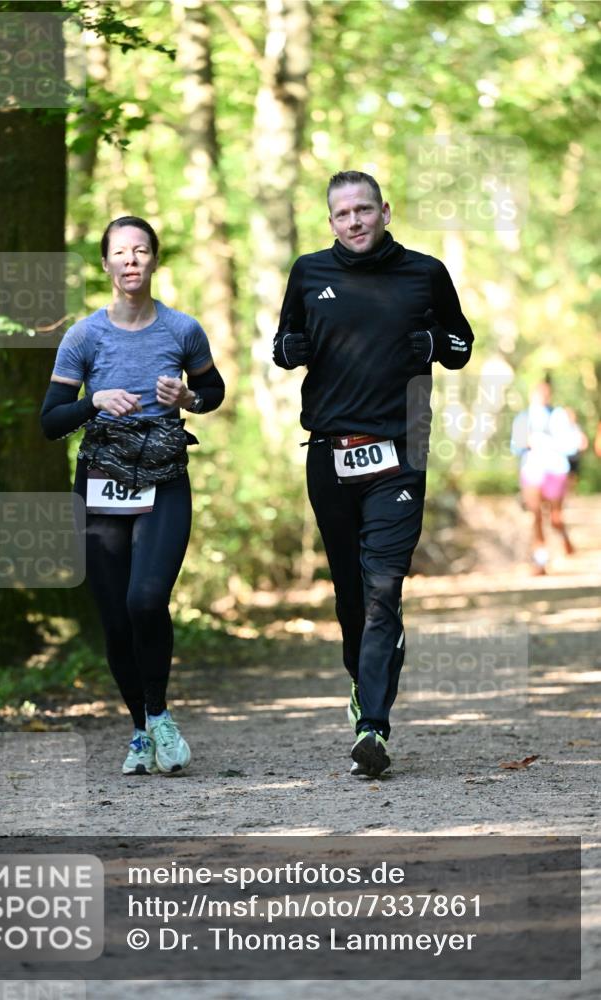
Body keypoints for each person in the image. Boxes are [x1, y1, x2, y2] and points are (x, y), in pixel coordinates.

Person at [273, 170, 473, 778]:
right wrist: (291, 350)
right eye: (342, 214)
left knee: (384, 588)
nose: (354, 221)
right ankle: (366, 680)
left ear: (386, 210)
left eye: (364, 210)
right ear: (330, 221)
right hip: (330, 453)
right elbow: (283, 344)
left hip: (400, 452)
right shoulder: (310, 273)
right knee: (352, 596)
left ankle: (373, 727)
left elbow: (462, 345)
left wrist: (434, 340)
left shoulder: (425, 272)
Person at [40, 216, 224, 776]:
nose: (131, 261)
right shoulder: (84, 337)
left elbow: (213, 391)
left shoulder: (182, 329)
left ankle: (160, 714)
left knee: (146, 599)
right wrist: (94, 403)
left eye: (141, 251)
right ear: (105, 263)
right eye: (120, 252)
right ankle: (140, 729)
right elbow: (50, 421)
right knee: (116, 616)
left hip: (164, 478)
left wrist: (188, 396)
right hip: (100, 479)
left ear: (154, 260)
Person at [510, 379, 580, 573]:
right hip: (532, 470)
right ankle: (540, 561)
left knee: (555, 517)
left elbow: (572, 445)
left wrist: (551, 443)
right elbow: (515, 446)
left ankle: (563, 535)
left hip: (556, 469)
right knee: (536, 515)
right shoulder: (523, 418)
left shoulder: (559, 416)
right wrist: (527, 442)